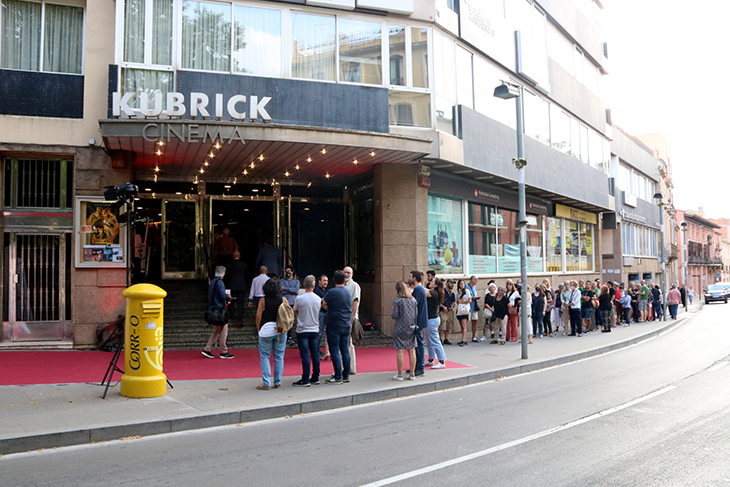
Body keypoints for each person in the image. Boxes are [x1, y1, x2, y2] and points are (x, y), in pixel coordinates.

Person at [255, 278, 286, 390]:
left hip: (266, 330)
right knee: (279, 357)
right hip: (280, 330)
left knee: (265, 356)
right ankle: (277, 381)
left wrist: (259, 329)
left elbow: (258, 316)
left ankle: (266, 382)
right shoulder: (283, 299)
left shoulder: (263, 300)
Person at [322, 270, 352, 384]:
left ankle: (338, 375)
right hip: (346, 323)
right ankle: (346, 374)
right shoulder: (348, 292)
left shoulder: (332, 292)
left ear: (334, 280)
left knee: (334, 350)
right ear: (344, 280)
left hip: (334, 324)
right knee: (345, 349)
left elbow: (324, 304)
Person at [292, 275, 321, 387]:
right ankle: (316, 376)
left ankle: (305, 378)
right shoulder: (318, 299)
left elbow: (295, 312)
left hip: (302, 329)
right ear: (314, 286)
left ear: (304, 286)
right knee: (315, 353)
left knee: (304, 354)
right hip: (314, 329)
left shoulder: (299, 298)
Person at [202, 266, 234, 359]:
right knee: (224, 330)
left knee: (216, 330)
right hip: (220, 309)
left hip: (213, 308)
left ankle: (207, 349)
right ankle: (223, 351)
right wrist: (227, 296)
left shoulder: (212, 282)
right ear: (223, 274)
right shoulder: (220, 282)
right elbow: (221, 295)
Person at [391, 281, 417, 381]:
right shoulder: (413, 300)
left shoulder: (397, 300)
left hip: (400, 328)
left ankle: (400, 375)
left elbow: (395, 315)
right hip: (411, 327)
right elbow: (415, 314)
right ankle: (412, 374)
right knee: (411, 350)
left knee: (400, 351)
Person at [409, 270, 428, 376]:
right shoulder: (420, 289)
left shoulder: (418, 290)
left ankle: (420, 367)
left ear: (414, 278)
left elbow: (414, 306)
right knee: (417, 344)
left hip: (417, 322)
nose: (409, 278)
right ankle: (415, 366)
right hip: (419, 321)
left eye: (410, 276)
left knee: (419, 345)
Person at [425, 278, 447, 369]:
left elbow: (422, 289)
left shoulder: (433, 293)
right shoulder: (433, 292)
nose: (430, 282)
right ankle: (431, 359)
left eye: (432, 282)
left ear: (436, 285)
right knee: (429, 340)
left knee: (435, 341)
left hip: (432, 320)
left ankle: (442, 361)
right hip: (431, 319)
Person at [343, 266, 360, 375]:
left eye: (348, 273)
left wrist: (353, 318)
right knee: (345, 344)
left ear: (352, 275)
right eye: (345, 272)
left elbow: (356, 302)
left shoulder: (354, 286)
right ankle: (346, 367)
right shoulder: (343, 285)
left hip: (350, 318)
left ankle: (351, 368)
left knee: (349, 344)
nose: (346, 274)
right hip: (344, 318)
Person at [225, 251, 248, 327]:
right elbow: (246, 276)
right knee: (240, 304)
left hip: (231, 286)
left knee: (230, 300)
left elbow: (227, 275)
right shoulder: (244, 265)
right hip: (241, 286)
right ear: (240, 256)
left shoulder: (229, 264)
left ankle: (232, 314)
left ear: (233, 256)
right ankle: (240, 320)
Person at [314, 274, 330, 361]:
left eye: (327, 281)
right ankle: (316, 351)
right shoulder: (317, 290)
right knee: (319, 333)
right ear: (319, 281)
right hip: (320, 313)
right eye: (324, 280)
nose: (326, 282)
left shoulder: (324, 290)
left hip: (324, 313)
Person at [439, 279, 456, 345]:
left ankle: (446, 338)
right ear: (447, 283)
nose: (452, 285)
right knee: (443, 325)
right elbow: (439, 302)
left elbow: (453, 302)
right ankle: (440, 338)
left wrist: (452, 306)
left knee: (449, 324)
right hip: (443, 311)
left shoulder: (452, 293)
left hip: (449, 310)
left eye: (453, 283)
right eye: (451, 283)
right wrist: (443, 307)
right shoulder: (443, 291)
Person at [454, 280, 470, 346]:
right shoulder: (459, 293)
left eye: (463, 283)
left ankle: (464, 340)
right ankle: (464, 339)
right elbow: (457, 301)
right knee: (461, 326)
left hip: (464, 310)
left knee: (464, 326)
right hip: (460, 310)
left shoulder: (467, 291)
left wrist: (462, 302)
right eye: (461, 283)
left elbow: (469, 300)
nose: (462, 285)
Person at [466, 276, 480, 342]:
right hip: (468, 307)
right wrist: (472, 297)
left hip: (474, 306)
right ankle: (464, 337)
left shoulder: (474, 287)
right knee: (465, 322)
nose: (477, 281)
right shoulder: (466, 286)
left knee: (475, 322)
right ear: (471, 280)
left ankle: (474, 337)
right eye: (475, 280)